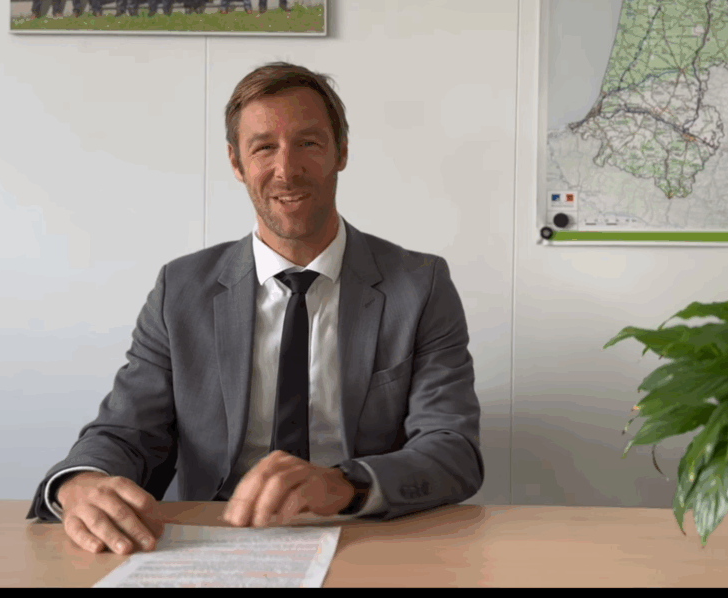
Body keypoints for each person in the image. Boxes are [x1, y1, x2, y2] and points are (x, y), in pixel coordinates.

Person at [26, 62, 483, 556]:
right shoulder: (180, 290)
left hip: (364, 537)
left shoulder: (419, 285)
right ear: (236, 162)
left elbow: (453, 450)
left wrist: (344, 484)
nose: (287, 170)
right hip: (211, 540)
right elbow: (127, 430)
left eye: (308, 143)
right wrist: (80, 482)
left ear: (341, 152)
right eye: (264, 147)